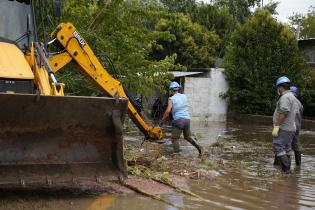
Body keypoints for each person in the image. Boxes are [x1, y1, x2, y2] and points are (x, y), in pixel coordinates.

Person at [159, 81, 203, 155]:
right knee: (187, 137)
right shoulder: (184, 96)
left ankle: (177, 155)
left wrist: (163, 120)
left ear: (171, 90)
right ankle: (199, 148)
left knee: (174, 138)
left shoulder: (171, 99)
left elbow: (168, 111)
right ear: (178, 89)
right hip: (187, 120)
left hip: (179, 120)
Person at [272, 76, 299, 172]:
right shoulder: (292, 96)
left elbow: (284, 112)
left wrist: (276, 126)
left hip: (284, 128)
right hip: (291, 128)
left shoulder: (285, 97)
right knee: (287, 148)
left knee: (277, 146)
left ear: (280, 87)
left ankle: (286, 169)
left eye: (278, 88)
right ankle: (287, 172)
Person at [290, 86, 303, 166]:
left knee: (281, 144)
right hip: (297, 127)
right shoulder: (300, 104)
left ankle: (278, 165)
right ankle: (298, 165)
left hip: (289, 126)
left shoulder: (289, 101)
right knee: (296, 144)